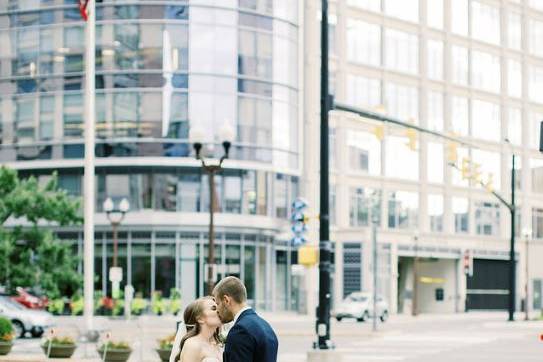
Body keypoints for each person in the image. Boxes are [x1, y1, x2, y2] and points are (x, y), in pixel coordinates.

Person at [212, 276, 278, 362]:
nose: (217, 310)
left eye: (218, 304)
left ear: (226, 300)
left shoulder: (240, 331)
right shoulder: (265, 325)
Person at [170, 296, 223, 362]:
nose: (219, 311)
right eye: (213, 308)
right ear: (200, 319)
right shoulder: (193, 345)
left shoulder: (216, 344)